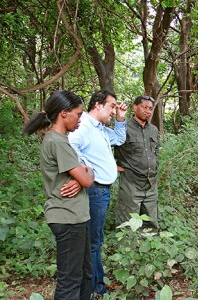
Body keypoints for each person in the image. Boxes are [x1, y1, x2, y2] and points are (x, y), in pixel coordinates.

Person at [23, 90, 95, 300]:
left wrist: (83, 175)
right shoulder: (58, 142)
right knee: (70, 279)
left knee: (83, 274)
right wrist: (86, 173)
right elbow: (88, 180)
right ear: (64, 113)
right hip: (67, 216)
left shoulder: (57, 139)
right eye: (78, 114)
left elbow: (82, 177)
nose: (80, 120)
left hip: (75, 216)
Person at [68, 89, 127, 296]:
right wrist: (85, 171)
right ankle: (94, 288)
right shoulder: (83, 126)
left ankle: (96, 285)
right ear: (98, 105)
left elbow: (119, 139)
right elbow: (70, 146)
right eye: (112, 106)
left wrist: (120, 120)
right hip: (94, 190)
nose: (114, 110)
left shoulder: (99, 128)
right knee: (93, 242)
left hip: (102, 191)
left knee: (95, 240)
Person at [114, 95, 160, 232]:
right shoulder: (124, 127)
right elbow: (107, 145)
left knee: (151, 221)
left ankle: (148, 251)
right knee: (127, 223)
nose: (148, 111)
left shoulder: (153, 130)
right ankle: (127, 251)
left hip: (151, 183)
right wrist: (113, 165)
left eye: (150, 108)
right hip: (131, 183)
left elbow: (156, 152)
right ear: (134, 107)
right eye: (144, 107)